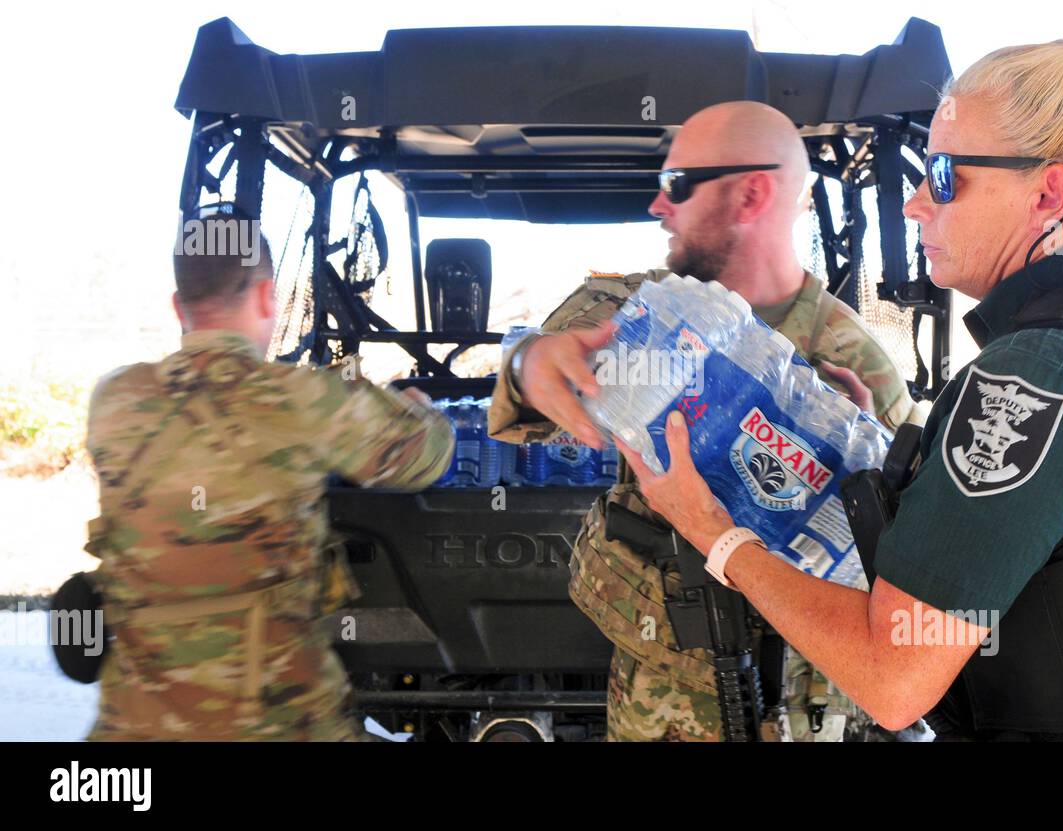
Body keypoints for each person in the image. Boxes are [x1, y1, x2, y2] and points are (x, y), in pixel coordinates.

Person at [618, 14, 1063, 741]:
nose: (915, 202)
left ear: (1049, 196)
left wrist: (714, 532)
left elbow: (892, 679)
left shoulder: (1036, 377)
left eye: (943, 176)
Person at [488, 100, 929, 741]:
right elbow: (533, 377)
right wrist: (529, 360)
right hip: (658, 699)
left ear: (750, 194)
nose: (657, 206)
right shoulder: (635, 311)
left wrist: (860, 472)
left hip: (795, 705)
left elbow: (897, 563)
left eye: (676, 185)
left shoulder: (852, 357)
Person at [83, 207, 454, 740]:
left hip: (132, 728)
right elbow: (429, 456)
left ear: (177, 305)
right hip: (279, 721)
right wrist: (419, 408)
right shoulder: (301, 398)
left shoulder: (113, 399)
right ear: (264, 297)